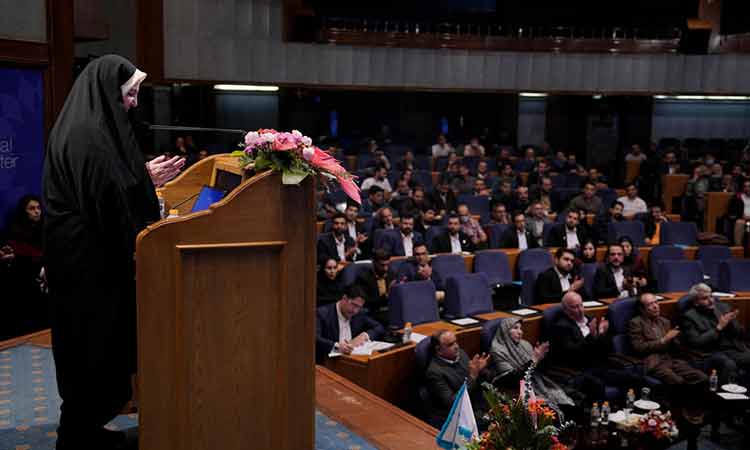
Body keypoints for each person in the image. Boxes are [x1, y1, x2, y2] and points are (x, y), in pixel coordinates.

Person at [42, 55, 185, 449]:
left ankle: (83, 430)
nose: (135, 102)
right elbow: (109, 207)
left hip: (83, 265)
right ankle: (78, 438)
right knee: (94, 352)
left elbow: (108, 188)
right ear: (109, 91)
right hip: (88, 271)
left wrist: (143, 177)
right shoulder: (88, 136)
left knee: (90, 353)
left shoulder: (85, 128)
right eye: (131, 93)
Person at [489, 318, 575, 415]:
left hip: (537, 384)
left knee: (572, 399)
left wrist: (542, 358)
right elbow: (511, 379)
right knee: (553, 409)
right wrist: (534, 360)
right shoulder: (498, 350)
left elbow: (538, 370)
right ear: (505, 330)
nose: (520, 332)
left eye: (520, 329)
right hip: (516, 390)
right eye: (515, 328)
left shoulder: (525, 345)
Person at [629, 293, 708, 387]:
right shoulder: (636, 323)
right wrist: (664, 340)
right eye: (650, 304)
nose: (655, 306)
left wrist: (678, 338)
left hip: (671, 359)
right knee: (678, 381)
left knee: (701, 377)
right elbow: (639, 347)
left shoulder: (665, 321)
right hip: (654, 363)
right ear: (642, 309)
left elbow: (675, 346)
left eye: (656, 302)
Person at [680, 283, 750, 384]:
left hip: (734, 348)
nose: (711, 300)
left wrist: (732, 323)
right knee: (729, 365)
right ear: (696, 302)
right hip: (712, 352)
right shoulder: (689, 317)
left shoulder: (722, 308)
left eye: (711, 296)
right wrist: (718, 328)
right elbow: (696, 342)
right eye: (705, 298)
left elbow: (740, 334)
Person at [425, 330, 490, 426]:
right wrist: (472, 376)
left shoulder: (461, 354)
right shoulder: (434, 372)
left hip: (474, 406)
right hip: (456, 417)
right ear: (438, 350)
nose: (456, 346)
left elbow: (476, 383)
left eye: (456, 342)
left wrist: (481, 371)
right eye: (450, 344)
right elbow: (453, 403)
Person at [5, 195, 47, 333]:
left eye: (39, 208)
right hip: (27, 285)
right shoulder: (16, 232)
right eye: (32, 208)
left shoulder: (47, 229)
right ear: (24, 211)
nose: (37, 211)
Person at [315, 284, 385, 362]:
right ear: (344, 298)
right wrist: (337, 346)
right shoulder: (322, 313)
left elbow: (379, 327)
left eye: (359, 307)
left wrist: (365, 335)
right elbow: (315, 338)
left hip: (353, 359)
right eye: (354, 305)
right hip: (329, 362)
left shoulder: (359, 313)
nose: (355, 310)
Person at [354, 248, 393, 321]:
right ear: (374, 262)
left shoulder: (391, 274)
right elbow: (365, 303)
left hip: (391, 310)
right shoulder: (363, 278)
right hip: (373, 313)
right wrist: (386, 296)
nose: (386, 269)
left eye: (387, 265)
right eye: (382, 265)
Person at [728, 180, 750, 246]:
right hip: (742, 220)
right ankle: (738, 248)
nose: (747, 188)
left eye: (749, 186)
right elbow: (731, 213)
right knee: (739, 222)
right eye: (745, 186)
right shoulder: (737, 198)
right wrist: (742, 216)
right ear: (743, 188)